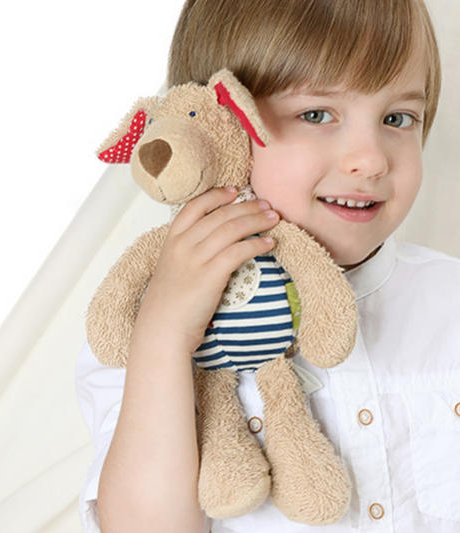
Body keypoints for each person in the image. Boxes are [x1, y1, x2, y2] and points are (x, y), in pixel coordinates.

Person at [75, 0, 460, 532]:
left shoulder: (449, 301)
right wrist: (164, 340)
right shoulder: (138, 328)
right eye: (317, 114)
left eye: (397, 118)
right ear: (223, 126)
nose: (371, 160)